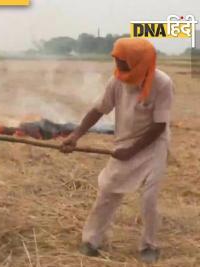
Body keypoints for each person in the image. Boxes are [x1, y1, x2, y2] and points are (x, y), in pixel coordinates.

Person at [60, 37, 174, 263]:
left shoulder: (162, 83)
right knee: (108, 191)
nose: (118, 67)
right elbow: (98, 109)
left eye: (123, 62)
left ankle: (149, 246)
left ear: (139, 62)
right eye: (117, 61)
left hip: (153, 144)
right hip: (124, 141)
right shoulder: (117, 81)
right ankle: (91, 240)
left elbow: (159, 125)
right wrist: (75, 135)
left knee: (149, 198)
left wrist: (132, 150)